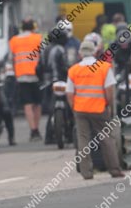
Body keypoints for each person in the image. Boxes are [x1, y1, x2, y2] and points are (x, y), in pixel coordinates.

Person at [66, 40, 124, 180]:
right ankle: (114, 170)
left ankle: (86, 172)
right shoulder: (104, 67)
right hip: (99, 109)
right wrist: (108, 105)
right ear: (95, 52)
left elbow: (69, 93)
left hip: (80, 109)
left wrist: (74, 108)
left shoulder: (73, 70)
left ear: (80, 54)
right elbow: (109, 90)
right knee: (106, 139)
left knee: (83, 139)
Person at [9, 18, 44, 141]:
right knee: (38, 104)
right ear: (33, 27)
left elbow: (11, 58)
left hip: (21, 76)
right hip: (37, 75)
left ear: (21, 27)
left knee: (27, 104)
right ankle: (37, 128)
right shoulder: (38, 38)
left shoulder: (13, 41)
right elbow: (44, 55)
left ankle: (33, 130)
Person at [41, 20, 71, 144]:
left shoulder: (44, 50)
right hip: (61, 81)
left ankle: (49, 136)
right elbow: (65, 67)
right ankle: (69, 133)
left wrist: (42, 79)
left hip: (48, 82)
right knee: (70, 106)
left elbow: (40, 67)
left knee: (52, 108)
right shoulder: (61, 49)